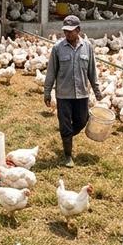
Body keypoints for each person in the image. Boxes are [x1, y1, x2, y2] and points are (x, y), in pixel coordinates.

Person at [43, 15, 102, 167]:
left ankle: (66, 136)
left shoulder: (87, 47)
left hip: (82, 93)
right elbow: (51, 71)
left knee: (82, 120)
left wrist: (97, 90)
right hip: (64, 94)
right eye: (65, 31)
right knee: (65, 124)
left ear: (78, 30)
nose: (67, 34)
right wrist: (47, 91)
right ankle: (68, 155)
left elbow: (92, 70)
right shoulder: (57, 48)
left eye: (71, 31)